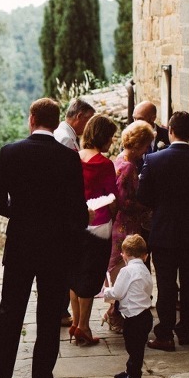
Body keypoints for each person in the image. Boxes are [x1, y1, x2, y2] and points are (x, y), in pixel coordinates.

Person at [0, 98, 88, 378]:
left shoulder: (11, 152)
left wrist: (18, 214)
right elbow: (79, 213)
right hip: (55, 248)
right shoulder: (68, 158)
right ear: (57, 123)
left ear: (32, 119)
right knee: (47, 317)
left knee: (10, 313)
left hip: (20, 245)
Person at [138, 111, 189, 351]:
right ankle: (185, 330)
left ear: (170, 130)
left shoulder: (155, 160)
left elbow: (143, 196)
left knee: (167, 284)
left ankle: (165, 333)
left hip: (164, 231)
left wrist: (162, 207)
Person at [69, 114, 118, 345]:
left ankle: (76, 323)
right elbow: (111, 197)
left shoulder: (73, 158)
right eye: (110, 137)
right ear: (103, 137)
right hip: (98, 224)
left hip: (75, 222)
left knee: (75, 272)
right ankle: (84, 327)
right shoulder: (105, 164)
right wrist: (115, 215)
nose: (111, 142)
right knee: (91, 274)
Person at [104, 120, 156, 332]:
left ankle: (115, 312)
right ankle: (116, 314)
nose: (146, 151)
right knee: (122, 269)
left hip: (120, 224)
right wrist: (146, 206)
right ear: (137, 144)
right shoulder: (127, 167)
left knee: (120, 268)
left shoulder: (119, 160)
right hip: (125, 225)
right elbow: (124, 201)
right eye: (145, 146)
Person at [54, 98, 95, 326]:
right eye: (87, 120)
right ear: (79, 116)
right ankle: (61, 311)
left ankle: (62, 309)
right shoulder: (66, 139)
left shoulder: (68, 135)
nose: (87, 126)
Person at [102, 234, 153, 378]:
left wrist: (105, 291)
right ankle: (130, 370)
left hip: (135, 318)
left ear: (124, 254)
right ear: (145, 256)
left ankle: (134, 376)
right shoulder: (145, 270)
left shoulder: (127, 271)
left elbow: (117, 293)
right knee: (135, 346)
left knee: (133, 347)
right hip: (145, 315)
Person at [132, 101, 170, 170]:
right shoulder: (129, 137)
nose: (136, 123)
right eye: (134, 118)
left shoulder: (167, 135)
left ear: (153, 118)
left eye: (140, 119)